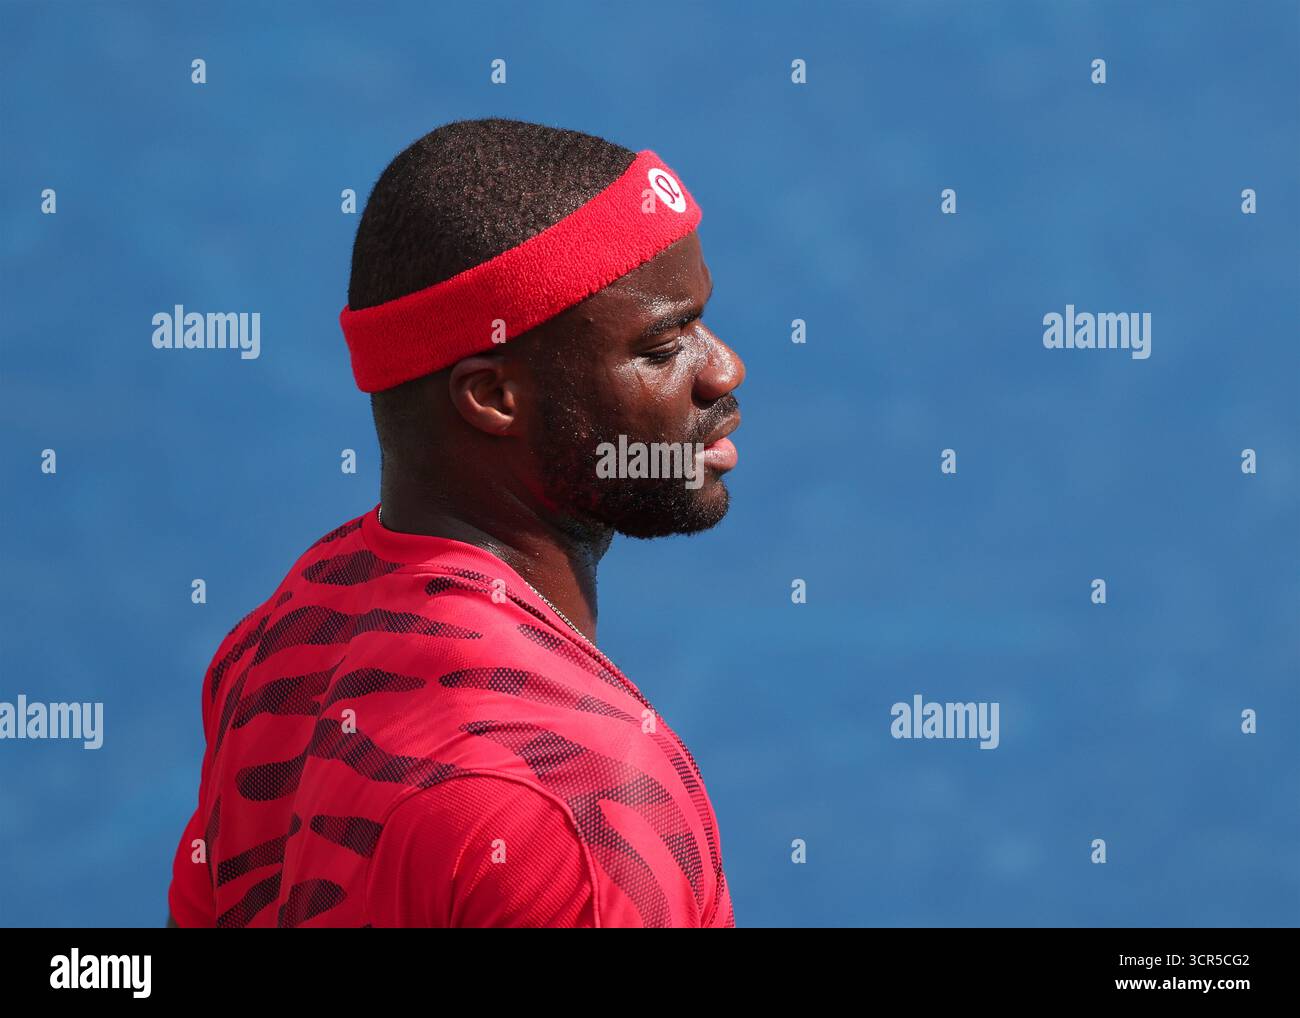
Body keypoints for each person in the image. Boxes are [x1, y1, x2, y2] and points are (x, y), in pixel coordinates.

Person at [167, 117, 744, 927]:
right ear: (495, 397)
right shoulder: (584, 805)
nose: (722, 369)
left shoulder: (278, 645)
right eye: (661, 345)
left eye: (700, 322)